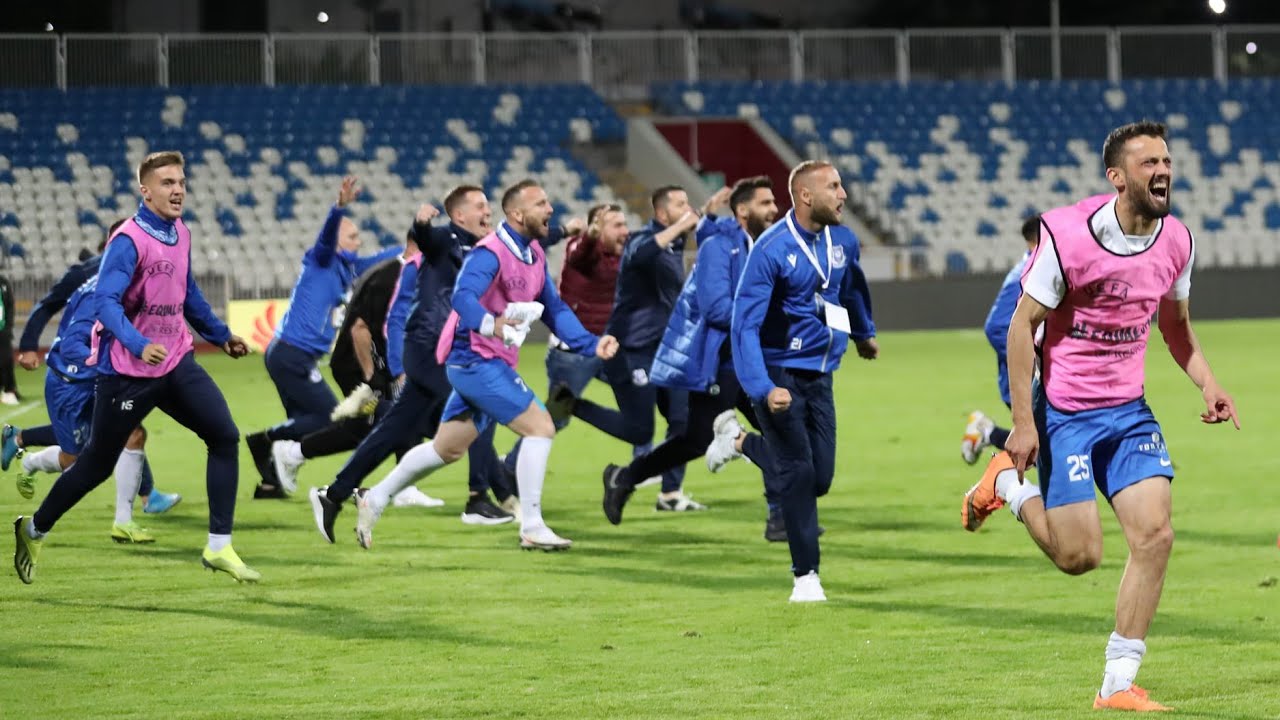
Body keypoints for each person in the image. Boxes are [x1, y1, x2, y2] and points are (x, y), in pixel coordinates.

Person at [960, 121, 1239, 711]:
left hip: (1129, 412)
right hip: (1065, 413)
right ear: (1116, 177)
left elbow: (1175, 327)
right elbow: (1019, 327)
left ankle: (1118, 683)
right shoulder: (1066, 235)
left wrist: (1209, 383)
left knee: (1155, 535)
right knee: (1079, 557)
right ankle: (1007, 485)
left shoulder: (1177, 241)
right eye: (1148, 164)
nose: (1162, 171)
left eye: (1166, 160)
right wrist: (1024, 422)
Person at [13, 150, 259, 584]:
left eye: (181, 181)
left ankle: (219, 546)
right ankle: (34, 528)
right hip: (128, 370)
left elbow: (188, 293)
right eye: (167, 183)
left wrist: (221, 335)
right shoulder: (127, 239)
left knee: (223, 435)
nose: (178, 189)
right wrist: (137, 342)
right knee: (94, 465)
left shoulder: (181, 231)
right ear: (145, 191)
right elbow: (106, 304)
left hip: (176, 360)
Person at [342, 179, 618, 551]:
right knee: (541, 427)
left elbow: (554, 309)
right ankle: (532, 527)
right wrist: (491, 324)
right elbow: (463, 297)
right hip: (474, 360)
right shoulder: (490, 252)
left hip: (488, 361)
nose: (550, 209)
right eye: (542, 203)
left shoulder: (533, 253)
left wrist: (590, 342)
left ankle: (374, 498)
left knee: (446, 449)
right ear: (518, 214)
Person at [308, 186, 520, 538]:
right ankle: (478, 499)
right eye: (480, 206)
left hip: (441, 353)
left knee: (395, 428)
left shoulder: (482, 249)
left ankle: (335, 494)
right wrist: (420, 223)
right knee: (485, 402)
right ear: (459, 215)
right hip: (429, 349)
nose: (488, 211)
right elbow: (427, 238)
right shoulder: (445, 240)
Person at [600, 176, 785, 534]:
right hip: (719, 362)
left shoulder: (760, 246)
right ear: (743, 210)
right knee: (702, 438)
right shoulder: (719, 246)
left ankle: (780, 514)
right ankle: (626, 477)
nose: (775, 209)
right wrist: (766, 318)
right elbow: (716, 309)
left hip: (746, 360)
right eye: (766, 203)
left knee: (769, 431)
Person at [731, 160, 877, 602]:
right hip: (780, 376)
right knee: (797, 473)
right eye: (834, 186)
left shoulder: (843, 240)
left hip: (821, 374)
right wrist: (762, 387)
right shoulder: (771, 250)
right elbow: (744, 326)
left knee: (820, 478)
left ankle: (739, 443)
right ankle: (805, 576)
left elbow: (850, 288)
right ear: (806, 195)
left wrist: (863, 331)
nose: (844, 194)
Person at [260, 229, 442, 509]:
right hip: (356, 363)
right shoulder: (391, 276)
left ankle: (293, 452)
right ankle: (400, 488)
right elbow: (359, 329)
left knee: (362, 429)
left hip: (365, 360)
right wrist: (371, 377)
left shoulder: (398, 272)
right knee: (401, 416)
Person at [245, 176, 402, 494]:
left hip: (291, 354)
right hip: (292, 354)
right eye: (353, 236)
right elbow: (326, 237)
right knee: (332, 420)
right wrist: (338, 208)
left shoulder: (350, 268)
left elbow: (389, 258)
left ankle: (270, 483)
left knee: (304, 424)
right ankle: (265, 441)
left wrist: (421, 244)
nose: (359, 242)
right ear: (339, 242)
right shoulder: (320, 259)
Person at [8, 227, 179, 513]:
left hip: (104, 365)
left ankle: (145, 499)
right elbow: (48, 305)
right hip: (79, 369)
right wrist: (28, 345)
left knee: (121, 427)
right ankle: (23, 446)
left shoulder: (141, 274)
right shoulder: (84, 274)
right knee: (95, 441)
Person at [562, 186, 702, 511]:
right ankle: (571, 404)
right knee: (639, 431)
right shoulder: (641, 241)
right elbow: (641, 255)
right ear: (664, 214)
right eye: (681, 205)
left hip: (667, 351)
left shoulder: (673, 245)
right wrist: (682, 226)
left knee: (683, 423)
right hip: (631, 349)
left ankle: (669, 494)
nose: (688, 209)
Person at [502, 202, 628, 492]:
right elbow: (583, 254)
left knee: (641, 400)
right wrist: (588, 235)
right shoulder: (578, 249)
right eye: (616, 224)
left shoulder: (623, 255)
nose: (624, 231)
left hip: (607, 347)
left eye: (624, 224)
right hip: (571, 353)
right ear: (597, 227)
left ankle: (643, 468)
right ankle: (509, 466)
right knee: (554, 421)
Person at [961, 214, 1041, 464]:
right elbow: (995, 328)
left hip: (1033, 379)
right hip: (1022, 381)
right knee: (1045, 451)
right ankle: (987, 433)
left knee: (1047, 450)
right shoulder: (1023, 276)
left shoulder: (1035, 270)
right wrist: (1029, 364)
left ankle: (986, 432)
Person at [0, 270, 17, 404]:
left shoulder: (3, 282)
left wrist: (9, 325)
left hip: (3, 329)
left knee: (6, 359)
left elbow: (10, 305)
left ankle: (10, 389)